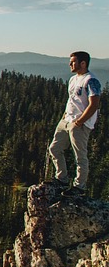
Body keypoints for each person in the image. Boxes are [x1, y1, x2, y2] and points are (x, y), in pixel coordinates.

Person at [47, 51, 101, 197]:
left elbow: (94, 104)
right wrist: (65, 116)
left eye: (73, 62)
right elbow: (72, 100)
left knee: (80, 156)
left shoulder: (90, 80)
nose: (70, 64)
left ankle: (79, 187)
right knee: (54, 148)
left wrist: (80, 121)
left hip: (79, 124)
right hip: (67, 120)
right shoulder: (73, 79)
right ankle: (62, 179)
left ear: (83, 63)